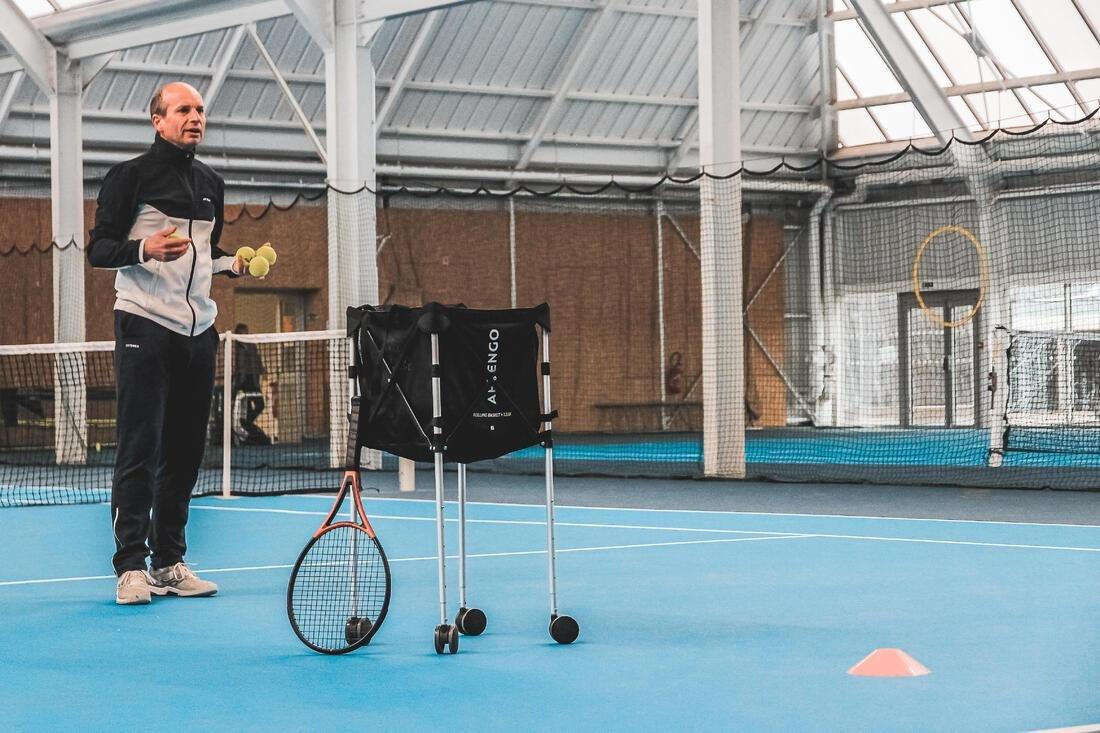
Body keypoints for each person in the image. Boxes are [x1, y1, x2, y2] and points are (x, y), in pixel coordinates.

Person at [87, 81, 248, 605]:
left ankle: (168, 562)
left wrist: (231, 262)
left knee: (184, 450)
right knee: (140, 446)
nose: (194, 117)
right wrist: (143, 248)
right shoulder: (129, 177)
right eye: (183, 110)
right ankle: (130, 566)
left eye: (199, 110)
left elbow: (206, 249)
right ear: (158, 119)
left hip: (199, 332)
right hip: (144, 324)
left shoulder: (210, 183)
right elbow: (100, 249)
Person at [231, 323, 270, 446]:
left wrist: (263, 370)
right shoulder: (236, 348)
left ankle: (246, 424)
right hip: (242, 382)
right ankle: (243, 434)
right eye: (242, 332)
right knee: (244, 408)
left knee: (260, 404)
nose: (244, 334)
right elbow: (238, 367)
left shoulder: (252, 346)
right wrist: (236, 385)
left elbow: (257, 360)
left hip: (253, 380)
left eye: (245, 332)